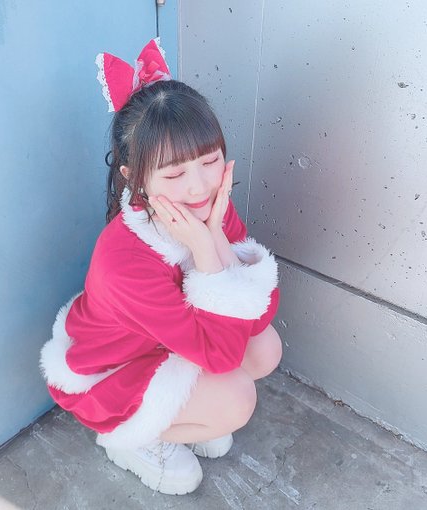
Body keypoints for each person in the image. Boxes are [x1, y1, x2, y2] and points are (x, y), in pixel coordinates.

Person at [40, 38, 282, 495]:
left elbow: (258, 316)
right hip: (112, 372)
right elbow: (222, 356)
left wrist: (214, 236)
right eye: (174, 174)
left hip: (169, 344)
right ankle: (134, 438)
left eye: (210, 161)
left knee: (265, 347)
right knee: (235, 399)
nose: (199, 186)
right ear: (134, 178)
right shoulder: (125, 262)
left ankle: (189, 414)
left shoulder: (209, 207)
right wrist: (207, 250)